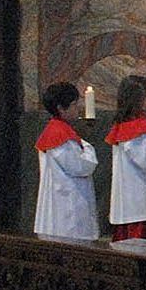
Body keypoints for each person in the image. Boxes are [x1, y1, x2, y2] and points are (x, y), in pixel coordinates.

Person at [34, 82, 99, 241]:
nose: (78, 109)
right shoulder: (60, 135)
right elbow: (82, 167)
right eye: (74, 105)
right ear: (61, 109)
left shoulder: (56, 130)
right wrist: (87, 146)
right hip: (67, 207)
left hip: (61, 200)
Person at [105, 74, 146, 241]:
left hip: (133, 204)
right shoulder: (133, 128)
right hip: (140, 206)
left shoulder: (125, 125)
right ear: (138, 99)